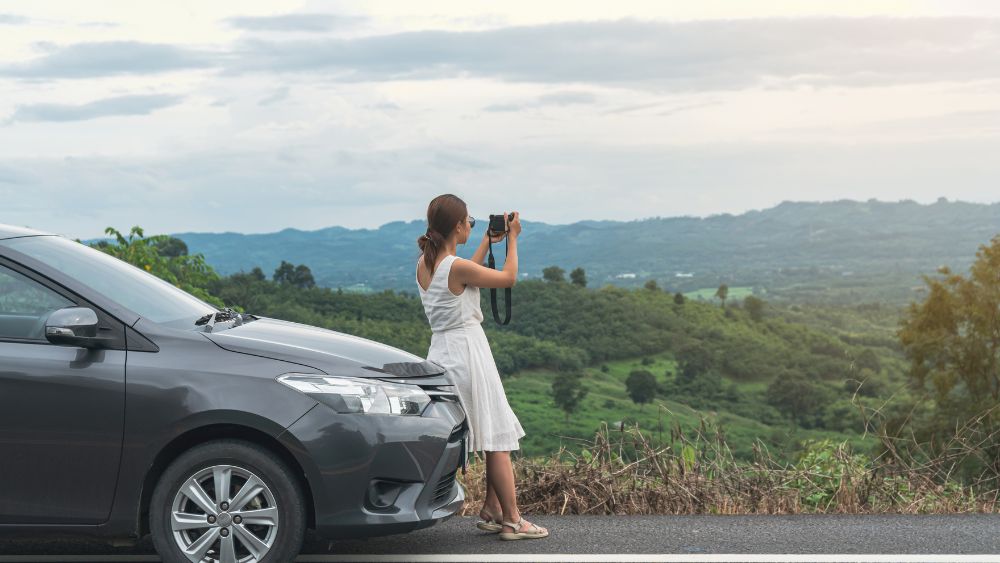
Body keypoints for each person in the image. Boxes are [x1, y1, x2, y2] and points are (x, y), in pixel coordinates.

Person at [415, 194, 549, 541]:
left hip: (443, 352)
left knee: (490, 432)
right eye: (468, 221)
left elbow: (459, 279)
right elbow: (507, 277)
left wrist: (488, 242)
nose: (470, 225)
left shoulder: (426, 264)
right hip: (469, 352)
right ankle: (514, 521)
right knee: (497, 438)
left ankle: (492, 511)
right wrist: (514, 239)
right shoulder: (455, 266)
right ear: (458, 226)